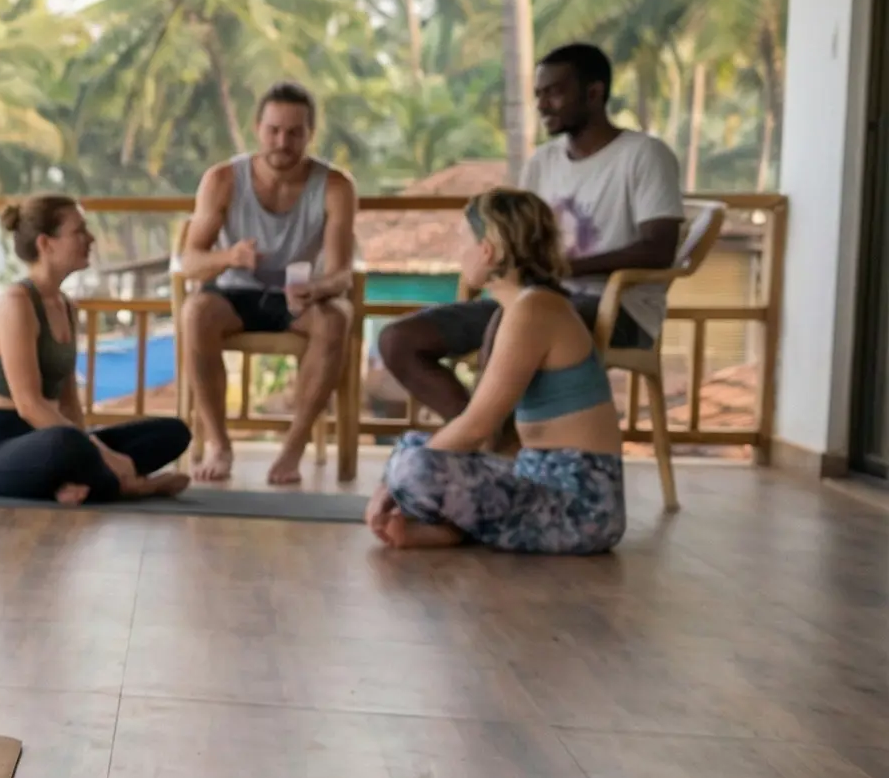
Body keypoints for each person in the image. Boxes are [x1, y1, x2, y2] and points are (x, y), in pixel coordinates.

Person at [378, 43, 683, 425]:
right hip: (531, 300)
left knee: (509, 325)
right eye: (538, 94)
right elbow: (519, 237)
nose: (542, 105)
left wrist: (566, 268)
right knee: (398, 340)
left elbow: (660, 249)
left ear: (594, 92)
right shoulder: (542, 162)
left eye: (554, 92)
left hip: (618, 309)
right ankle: (487, 443)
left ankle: (487, 441)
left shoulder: (644, 156)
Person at [366, 188, 626, 554]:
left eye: (463, 240)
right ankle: (456, 529)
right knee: (411, 445)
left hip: (584, 508)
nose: (459, 253)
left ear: (487, 249)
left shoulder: (534, 311)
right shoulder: (523, 307)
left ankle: (457, 529)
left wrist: (389, 486)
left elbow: (476, 427)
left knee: (413, 467)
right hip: (540, 478)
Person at [172, 82, 360, 485]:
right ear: (258, 128)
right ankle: (219, 444)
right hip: (232, 294)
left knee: (336, 319)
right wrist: (229, 257)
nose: (283, 142)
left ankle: (293, 450)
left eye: (295, 132)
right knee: (195, 312)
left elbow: (343, 272)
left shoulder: (335, 186)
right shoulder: (222, 179)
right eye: (274, 130)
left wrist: (320, 289)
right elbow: (189, 262)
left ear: (310, 133)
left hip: (298, 297)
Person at [0, 195, 192, 504]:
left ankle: (75, 481)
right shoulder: (16, 303)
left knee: (173, 432)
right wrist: (103, 456)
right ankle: (128, 486)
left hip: (54, 438)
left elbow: (69, 402)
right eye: (79, 231)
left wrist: (94, 450)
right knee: (66, 442)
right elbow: (29, 405)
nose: (91, 238)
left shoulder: (66, 307)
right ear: (46, 244)